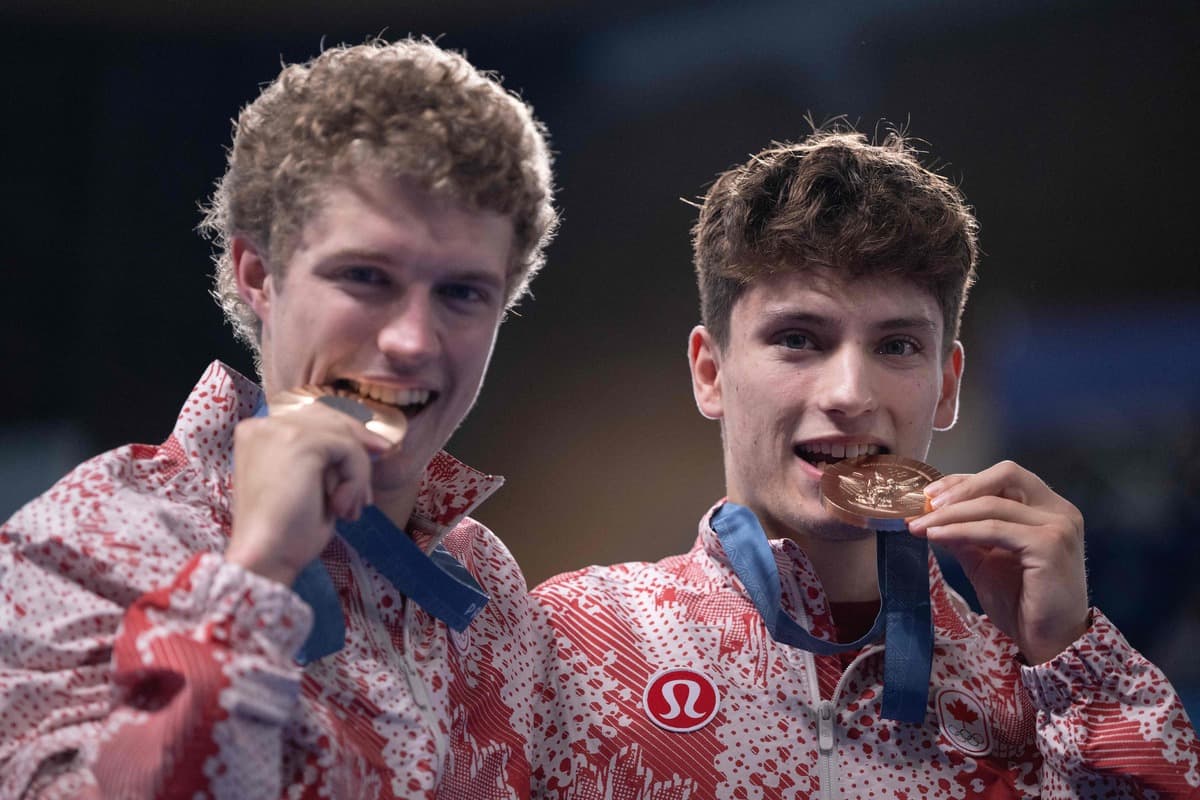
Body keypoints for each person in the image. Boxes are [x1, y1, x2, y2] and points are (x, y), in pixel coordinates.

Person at [529, 127, 1200, 798]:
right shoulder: (572, 642)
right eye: (798, 340)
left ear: (946, 386)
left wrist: (1072, 662)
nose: (850, 394)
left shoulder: (1032, 688)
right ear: (710, 373)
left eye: (898, 346)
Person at [0, 37, 556, 798]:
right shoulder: (91, 535)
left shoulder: (487, 583)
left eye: (462, 293)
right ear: (257, 275)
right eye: (366, 277)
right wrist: (252, 577)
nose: (412, 341)